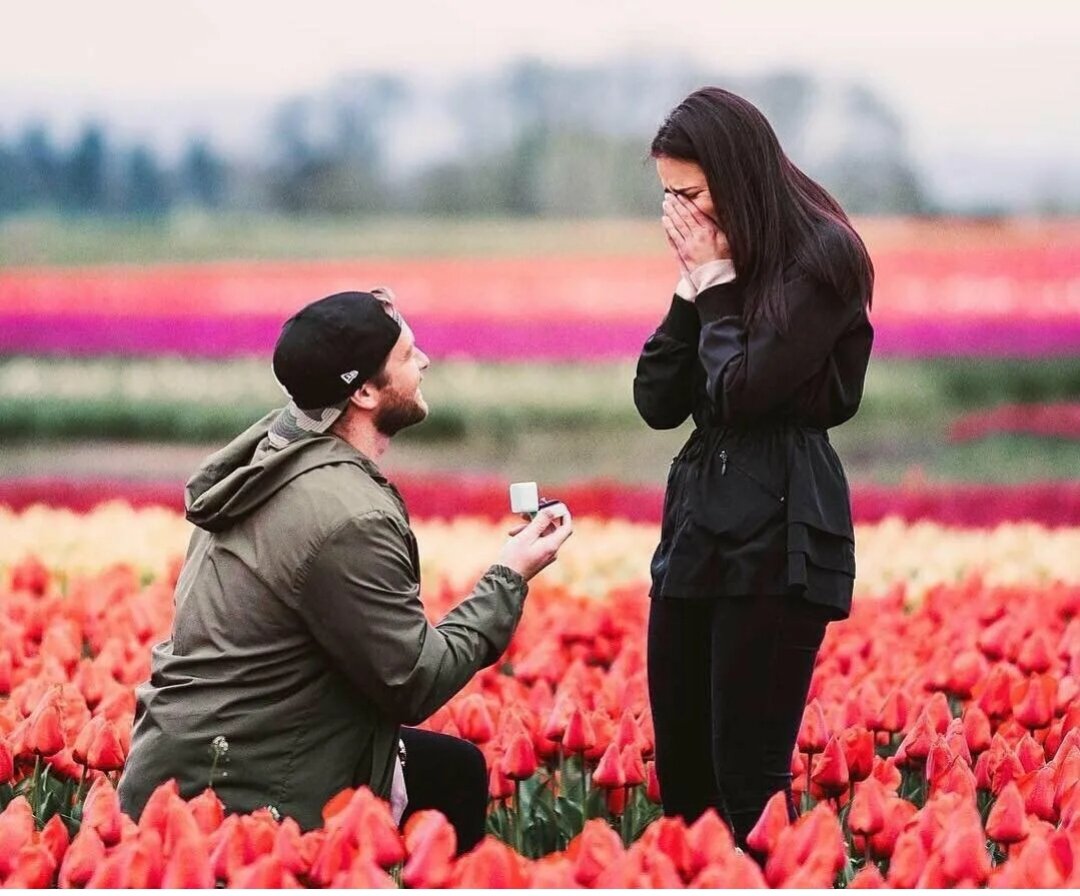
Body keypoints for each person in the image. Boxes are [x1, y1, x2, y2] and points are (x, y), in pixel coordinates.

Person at [118, 289, 573, 852]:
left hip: (188, 756)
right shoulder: (348, 516)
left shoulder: (269, 464)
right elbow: (414, 682)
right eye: (408, 356)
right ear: (361, 391)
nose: (426, 362)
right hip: (243, 791)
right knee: (450, 779)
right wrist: (509, 574)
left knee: (453, 769)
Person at [633, 87, 874, 852]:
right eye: (669, 196)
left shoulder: (823, 258)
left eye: (692, 194)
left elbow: (742, 390)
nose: (681, 214)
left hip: (779, 531)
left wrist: (714, 283)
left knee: (746, 785)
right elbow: (657, 400)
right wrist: (689, 286)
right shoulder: (717, 262)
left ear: (737, 176)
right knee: (685, 781)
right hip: (699, 529)